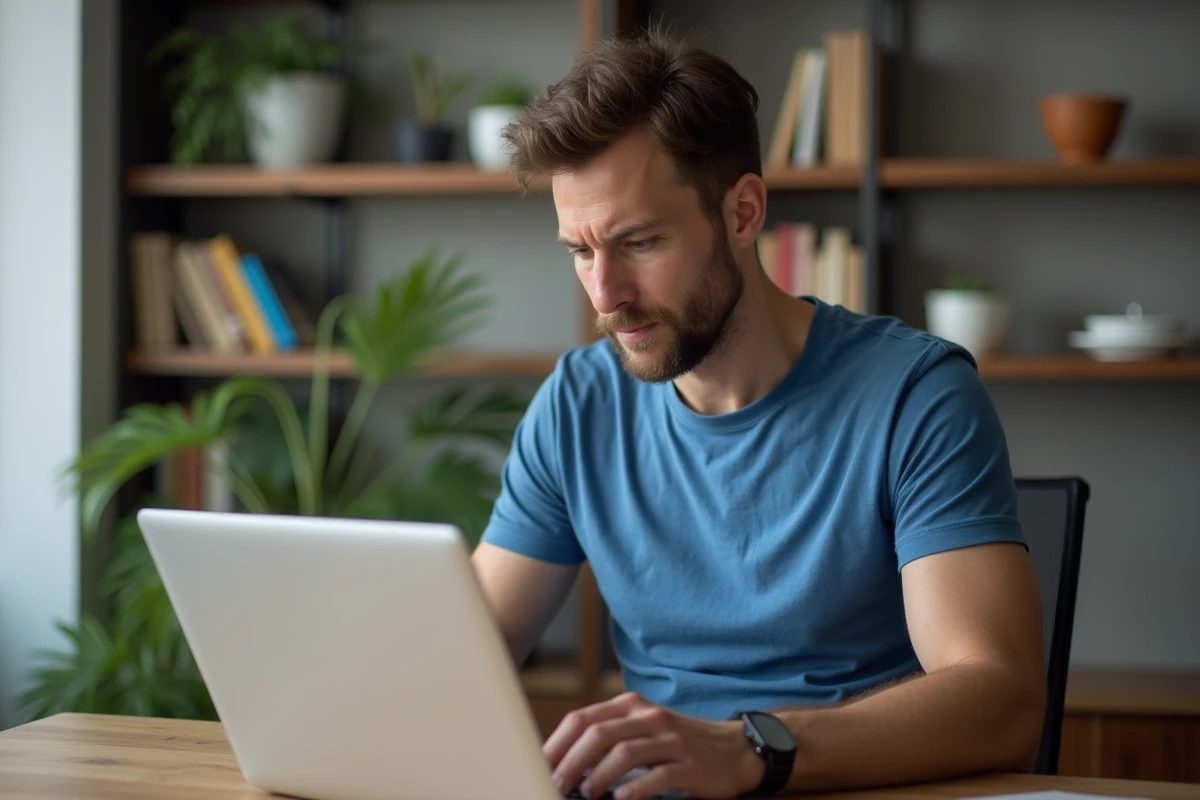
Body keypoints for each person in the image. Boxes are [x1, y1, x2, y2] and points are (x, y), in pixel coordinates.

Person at [470, 28, 1045, 800]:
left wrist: (750, 748)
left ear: (742, 214)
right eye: (580, 250)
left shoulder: (917, 395)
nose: (604, 296)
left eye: (638, 242)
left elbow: (1001, 702)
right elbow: (459, 657)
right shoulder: (579, 403)